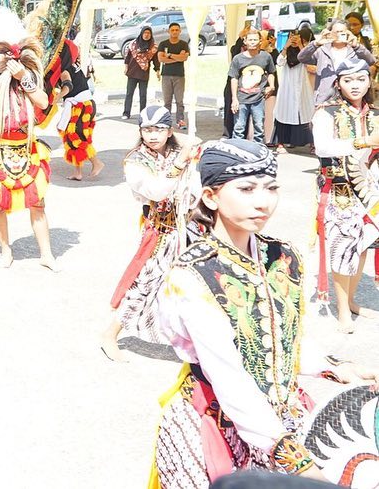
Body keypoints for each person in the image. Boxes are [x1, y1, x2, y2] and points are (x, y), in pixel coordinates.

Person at [150, 138, 379, 486]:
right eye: (246, 189)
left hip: (283, 416)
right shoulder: (193, 275)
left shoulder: (283, 256)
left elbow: (287, 338)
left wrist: (335, 369)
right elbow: (227, 375)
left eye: (271, 187)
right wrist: (295, 460)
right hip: (214, 421)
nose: (263, 201)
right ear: (211, 197)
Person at [100, 106, 197, 362]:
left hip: (190, 231)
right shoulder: (135, 161)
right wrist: (180, 163)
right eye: (147, 130)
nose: (152, 135)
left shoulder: (181, 151)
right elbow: (156, 191)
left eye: (158, 129)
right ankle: (110, 335)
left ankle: (198, 341)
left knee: (196, 287)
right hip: (161, 233)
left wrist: (196, 157)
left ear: (169, 130)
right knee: (144, 285)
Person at [0, 10, 56, 270]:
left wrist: (23, 78)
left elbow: (43, 101)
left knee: (38, 204)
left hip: (27, 150)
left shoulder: (26, 81)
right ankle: (6, 250)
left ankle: (46, 254)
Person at [311, 57, 379, 333]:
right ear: (337, 84)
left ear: (369, 81)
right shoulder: (325, 113)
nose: (355, 85)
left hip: (369, 189)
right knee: (342, 248)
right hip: (338, 188)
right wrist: (363, 141)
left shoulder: (374, 113)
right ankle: (341, 309)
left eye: (361, 79)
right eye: (348, 80)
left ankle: (351, 301)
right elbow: (323, 147)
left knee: (363, 243)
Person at [55, 37, 105, 181]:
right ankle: (78, 172)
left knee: (77, 138)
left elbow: (68, 85)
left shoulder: (64, 69)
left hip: (81, 107)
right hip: (83, 105)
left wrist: (57, 98)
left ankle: (97, 163)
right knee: (72, 138)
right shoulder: (70, 64)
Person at [298, 17, 375, 105]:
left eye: (342, 32)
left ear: (348, 33)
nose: (339, 35)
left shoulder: (355, 50)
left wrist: (356, 46)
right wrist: (316, 43)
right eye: (336, 32)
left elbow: (371, 61)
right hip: (325, 97)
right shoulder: (322, 50)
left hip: (350, 96)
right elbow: (302, 58)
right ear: (330, 33)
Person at [269, 31, 314, 153]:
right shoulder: (286, 51)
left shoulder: (305, 51)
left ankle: (312, 143)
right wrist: (286, 47)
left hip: (303, 87)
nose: (294, 40)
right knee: (283, 112)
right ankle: (281, 143)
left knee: (307, 112)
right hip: (287, 88)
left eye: (297, 38)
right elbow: (279, 62)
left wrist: (300, 46)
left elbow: (309, 62)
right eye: (292, 37)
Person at [228, 30, 276, 140]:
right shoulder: (238, 59)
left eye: (255, 40)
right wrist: (234, 99)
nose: (253, 42)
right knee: (239, 128)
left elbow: (271, 72)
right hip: (242, 99)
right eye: (250, 40)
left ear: (260, 41)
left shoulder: (266, 57)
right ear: (245, 41)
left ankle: (258, 152)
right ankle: (238, 153)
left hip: (258, 99)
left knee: (259, 128)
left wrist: (271, 86)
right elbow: (234, 78)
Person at [222, 22, 253, 137]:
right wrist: (241, 36)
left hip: (248, 85)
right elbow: (234, 52)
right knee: (231, 108)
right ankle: (229, 133)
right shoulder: (235, 49)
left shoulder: (256, 53)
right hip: (234, 83)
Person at [157, 22, 190, 129]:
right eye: (172, 30)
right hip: (166, 75)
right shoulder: (163, 44)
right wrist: (177, 58)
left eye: (177, 30)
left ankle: (180, 121)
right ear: (168, 31)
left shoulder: (184, 44)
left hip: (179, 75)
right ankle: (166, 122)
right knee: (167, 101)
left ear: (180, 31)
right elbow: (161, 59)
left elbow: (184, 58)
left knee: (179, 101)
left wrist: (170, 55)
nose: (175, 32)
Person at [123, 25, 159, 119]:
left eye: (148, 33)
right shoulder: (133, 44)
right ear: (141, 33)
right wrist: (126, 67)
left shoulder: (153, 47)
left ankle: (143, 114)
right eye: (145, 33)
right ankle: (126, 113)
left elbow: (156, 60)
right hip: (132, 72)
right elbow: (128, 57)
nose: (146, 35)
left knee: (143, 95)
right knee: (129, 93)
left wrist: (157, 70)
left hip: (144, 73)